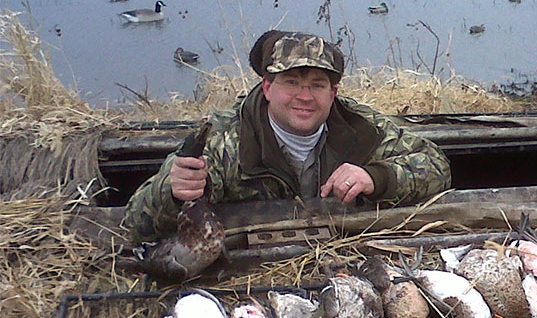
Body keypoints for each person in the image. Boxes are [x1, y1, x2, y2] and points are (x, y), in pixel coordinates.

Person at [124, 30, 451, 243]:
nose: (305, 96)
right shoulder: (222, 138)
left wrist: (376, 176)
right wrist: (176, 192)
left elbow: (438, 166)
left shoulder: (362, 127)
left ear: (334, 92)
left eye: (317, 84)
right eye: (291, 82)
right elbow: (136, 222)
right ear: (267, 87)